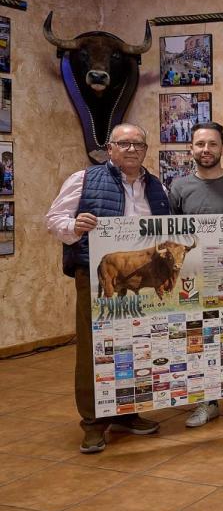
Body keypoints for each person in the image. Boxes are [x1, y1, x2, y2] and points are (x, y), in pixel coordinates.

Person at [45, 124, 168, 453]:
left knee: (136, 344)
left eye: (138, 144)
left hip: (141, 280)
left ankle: (128, 412)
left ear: (145, 150)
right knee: (93, 348)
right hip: (98, 275)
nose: (131, 149)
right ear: (110, 149)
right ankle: (93, 421)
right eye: (123, 143)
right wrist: (74, 225)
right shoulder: (84, 179)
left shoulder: (157, 187)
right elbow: (54, 219)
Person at [169, 122, 223, 428]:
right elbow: (171, 236)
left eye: (212, 144)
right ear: (190, 149)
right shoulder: (179, 188)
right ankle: (205, 402)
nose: (206, 150)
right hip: (192, 280)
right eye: (200, 144)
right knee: (198, 339)